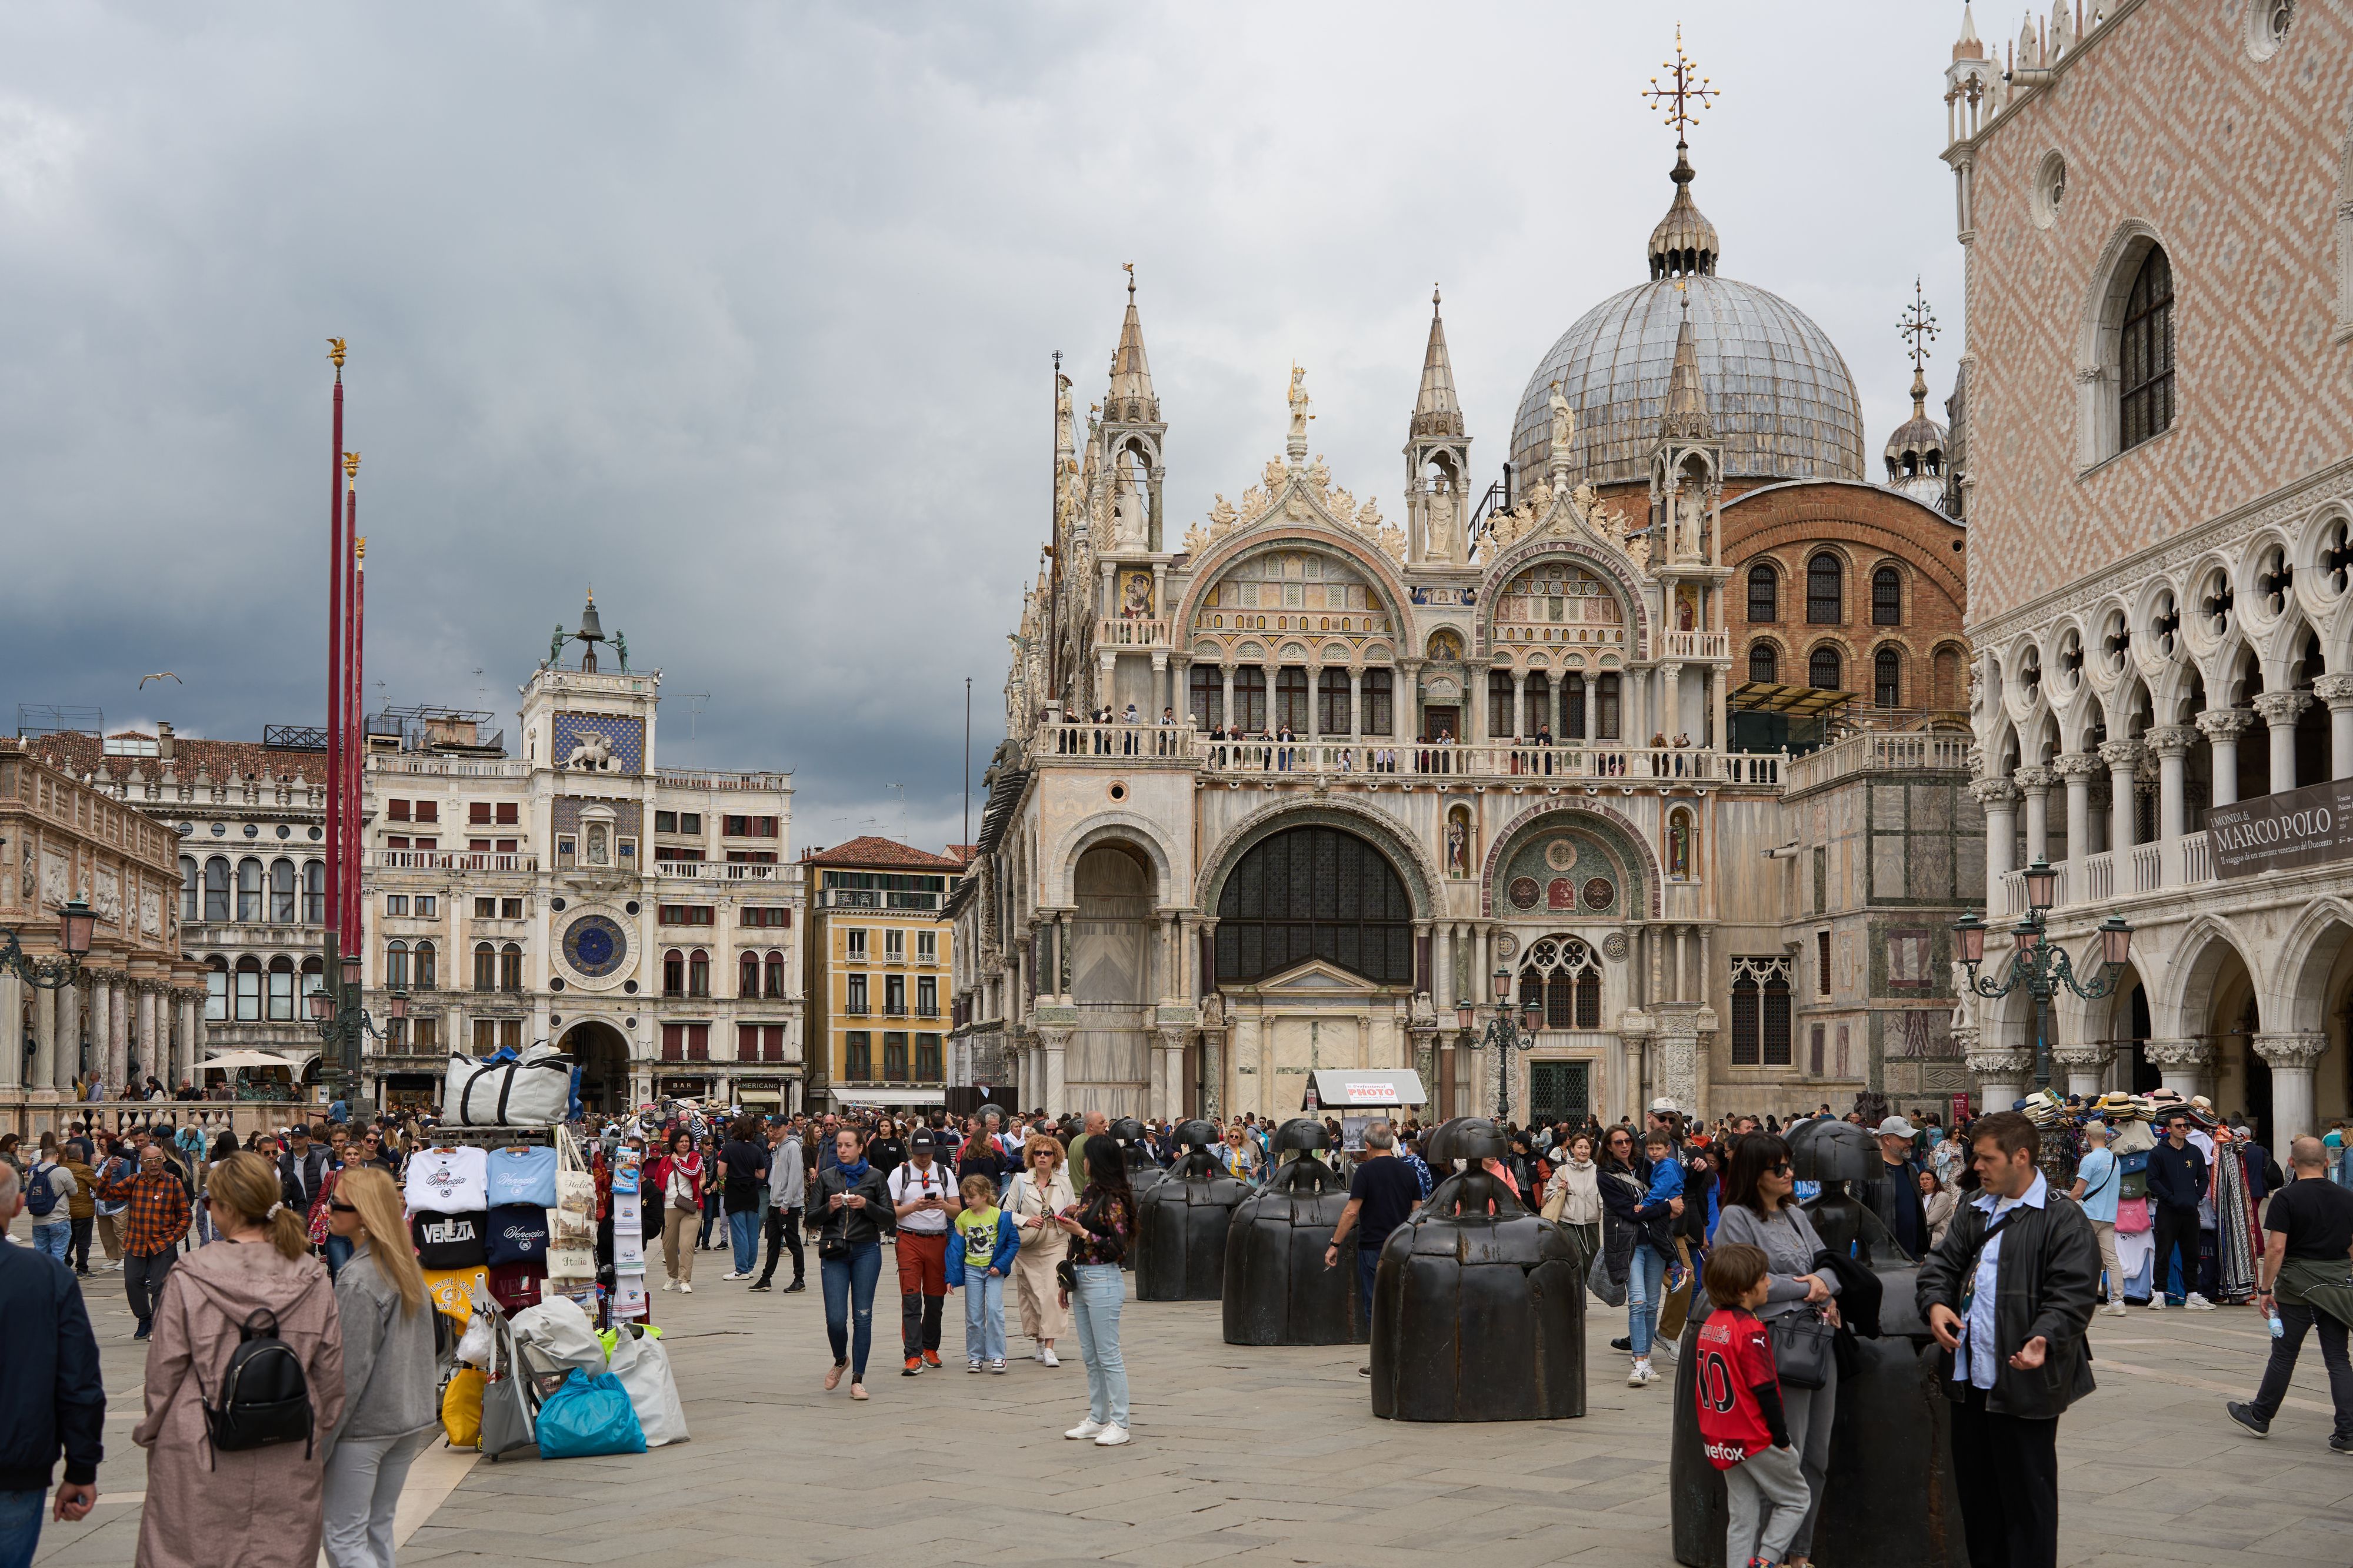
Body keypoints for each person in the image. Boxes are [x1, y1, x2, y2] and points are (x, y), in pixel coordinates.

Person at [132, 1150, 345, 1568]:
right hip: (287, 1445)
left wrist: (155, 1434)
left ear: (223, 1208)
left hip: (201, 1444)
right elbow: (332, 1375)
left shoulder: (190, 1275)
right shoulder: (312, 1277)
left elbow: (164, 1375)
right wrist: (315, 1427)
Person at [1917, 1110, 2098, 1568]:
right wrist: (1936, 1303)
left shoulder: (2063, 1219)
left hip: (2027, 1379)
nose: (1977, 1166)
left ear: (2021, 1156)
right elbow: (1941, 1266)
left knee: (2027, 1503)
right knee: (1978, 1503)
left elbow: (2073, 1293)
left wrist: (2044, 1337)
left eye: (1986, 1158)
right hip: (1968, 1379)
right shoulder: (1974, 1209)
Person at [1712, 1135, 1840, 1567]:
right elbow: (1748, 1283)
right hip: (1773, 1345)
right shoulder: (1736, 1217)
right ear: (1755, 1175)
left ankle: (1799, 1553)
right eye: (1779, 1169)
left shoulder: (1795, 1214)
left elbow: (1829, 1265)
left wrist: (1822, 1285)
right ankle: (1771, 1557)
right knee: (1787, 1454)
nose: (1789, 1175)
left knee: (1817, 1456)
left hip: (1817, 1340)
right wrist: (1812, 1287)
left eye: (1789, 1166)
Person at [321, 1166, 438, 1568]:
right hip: (405, 1419)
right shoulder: (403, 1266)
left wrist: (321, 1442)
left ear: (366, 1215)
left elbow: (347, 1372)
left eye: (339, 1205)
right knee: (377, 1530)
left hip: (364, 1426)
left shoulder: (359, 1278)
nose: (329, 1210)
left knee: (344, 1538)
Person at [0, 1158, 103, 1568]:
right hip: (13, 1468)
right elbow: (78, 1381)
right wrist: (81, 1467)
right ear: (19, 1205)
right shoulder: (47, 1277)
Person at [2227, 1135, 2353, 1450]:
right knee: (2338, 1358)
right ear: (2327, 1163)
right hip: (2337, 1285)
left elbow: (2276, 1247)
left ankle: (2261, 1415)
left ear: (2292, 1163)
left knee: (2284, 1354)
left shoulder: (2286, 1197)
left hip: (2297, 1285)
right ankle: (2348, 1432)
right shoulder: (2347, 1197)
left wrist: (2265, 1288)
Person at [1695, 1243, 1809, 1568]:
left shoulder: (1712, 1324)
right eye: (1763, 1278)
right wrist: (1782, 1438)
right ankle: (1766, 1560)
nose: (1769, 1283)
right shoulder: (1751, 1331)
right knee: (1796, 1499)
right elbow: (1766, 1389)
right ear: (1746, 1290)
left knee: (1742, 1515)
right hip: (1754, 1435)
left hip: (1720, 1436)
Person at [1324, 1122, 1422, 1376]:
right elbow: (1417, 1212)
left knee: (1374, 1304)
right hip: (1401, 1248)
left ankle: (1381, 1360)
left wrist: (1335, 1244)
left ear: (1367, 1146)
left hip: (1372, 1247)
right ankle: (1404, 1356)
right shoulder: (1409, 1172)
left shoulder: (1365, 1173)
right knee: (1401, 1300)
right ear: (1391, 1143)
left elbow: (1351, 1211)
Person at [1056, 1135, 1134, 1446]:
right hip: (1083, 1277)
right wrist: (1065, 1279)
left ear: (1098, 1162)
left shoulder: (1115, 1198)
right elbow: (1079, 1240)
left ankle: (1121, 1422)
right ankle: (1098, 1416)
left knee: (1108, 1355)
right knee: (1091, 1355)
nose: (1083, 1163)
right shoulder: (1090, 1192)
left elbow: (1119, 1248)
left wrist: (1082, 1230)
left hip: (1104, 1278)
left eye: (1087, 1158)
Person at [812, 1126, 894, 1399]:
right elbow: (810, 1219)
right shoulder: (826, 1178)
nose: (843, 1150)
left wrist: (866, 1205)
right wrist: (830, 1208)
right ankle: (840, 1360)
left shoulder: (875, 1177)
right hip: (835, 1251)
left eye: (848, 1146)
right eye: (839, 1146)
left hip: (866, 1251)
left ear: (861, 1148)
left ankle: (858, 1379)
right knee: (835, 1319)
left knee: (863, 1316)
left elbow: (889, 1218)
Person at [96, 1145, 191, 1341]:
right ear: (141, 1163)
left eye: (157, 1159)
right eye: (149, 1161)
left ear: (163, 1159)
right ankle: (144, 1318)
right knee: (132, 1282)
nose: (154, 1164)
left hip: (163, 1243)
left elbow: (185, 1216)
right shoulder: (134, 1181)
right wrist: (108, 1172)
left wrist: (174, 1237)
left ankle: (157, 1323)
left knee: (159, 1285)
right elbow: (104, 1194)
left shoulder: (173, 1183)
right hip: (136, 1241)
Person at [890, 1132, 961, 1374]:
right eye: (919, 1154)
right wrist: (914, 1207)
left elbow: (958, 1212)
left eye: (928, 1153)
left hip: (938, 1239)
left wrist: (943, 1206)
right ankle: (912, 1354)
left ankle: (930, 1348)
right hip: (908, 1238)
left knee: (935, 1299)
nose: (923, 1158)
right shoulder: (900, 1174)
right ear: (910, 1150)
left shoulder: (945, 1173)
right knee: (910, 1298)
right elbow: (891, 1213)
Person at [1005, 1133, 1075, 1366]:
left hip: (1055, 1241)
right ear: (1031, 1156)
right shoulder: (1019, 1181)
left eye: (1047, 1153)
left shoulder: (1064, 1182)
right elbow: (1005, 1214)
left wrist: (1070, 1214)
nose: (1042, 1157)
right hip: (1028, 1245)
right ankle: (1038, 1340)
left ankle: (1049, 1348)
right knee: (1032, 1295)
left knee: (1052, 1294)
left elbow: (1070, 1211)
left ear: (1055, 1157)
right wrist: (1026, 1220)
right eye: (1038, 1153)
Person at [949, 1173, 1016, 1373]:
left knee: (995, 1311)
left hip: (993, 1271)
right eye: (966, 1197)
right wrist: (951, 1276)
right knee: (974, 1316)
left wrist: (1001, 1265)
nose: (968, 1201)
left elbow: (1013, 1243)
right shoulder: (963, 1218)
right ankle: (976, 1356)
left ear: (985, 1196)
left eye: (972, 1197)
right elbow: (956, 1248)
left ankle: (998, 1355)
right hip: (972, 1269)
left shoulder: (999, 1215)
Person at [2146, 1111, 2214, 1310]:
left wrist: (2196, 1197)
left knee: (2192, 1253)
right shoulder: (2158, 1153)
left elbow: (2203, 1177)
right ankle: (2159, 1294)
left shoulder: (2194, 1152)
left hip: (2190, 1210)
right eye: (2179, 1126)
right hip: (2168, 1210)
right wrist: (2170, 1198)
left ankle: (2192, 1294)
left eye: (2185, 1125)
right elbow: (2152, 1181)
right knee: (2163, 1252)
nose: (2184, 1128)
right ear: (2168, 1129)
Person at [2067, 1119, 2127, 1317]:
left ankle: (2075, 1298)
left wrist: (2062, 1202)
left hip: (2089, 1214)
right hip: (2108, 1215)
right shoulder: (2115, 1160)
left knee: (2078, 1256)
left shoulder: (2090, 1160)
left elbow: (2078, 1191)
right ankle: (2117, 1301)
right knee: (2112, 1259)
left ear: (2088, 1137)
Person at [751, 1119, 805, 1293]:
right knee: (773, 1242)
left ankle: (799, 1279)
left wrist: (787, 1202)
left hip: (787, 1203)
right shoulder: (778, 1147)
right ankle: (766, 1278)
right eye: (771, 1128)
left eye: (777, 1128)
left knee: (792, 1241)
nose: (773, 1131)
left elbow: (796, 1176)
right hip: (775, 1201)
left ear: (786, 1128)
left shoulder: (792, 1147)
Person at [648, 1130, 705, 1293]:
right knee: (668, 1246)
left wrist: (678, 1162)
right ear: (674, 1143)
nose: (684, 1144)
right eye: (681, 1141)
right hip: (669, 1207)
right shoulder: (665, 1161)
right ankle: (673, 1276)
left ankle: (684, 1279)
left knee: (686, 1245)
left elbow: (694, 1174)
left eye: (687, 1141)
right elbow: (659, 1184)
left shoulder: (696, 1158)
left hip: (691, 1208)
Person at [1867, 1115, 1928, 1260]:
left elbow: (1917, 1214)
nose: (1910, 1143)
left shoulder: (1911, 1170)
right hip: (1884, 1260)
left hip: (1912, 1257)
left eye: (1910, 1138)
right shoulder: (1869, 1172)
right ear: (1887, 1140)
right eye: (1903, 1139)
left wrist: (1920, 1254)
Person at [717, 1117, 769, 1282]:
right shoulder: (756, 1150)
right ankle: (750, 1267)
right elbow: (762, 1174)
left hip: (735, 1192)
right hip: (752, 1192)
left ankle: (741, 1270)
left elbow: (721, 1172)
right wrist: (749, 1171)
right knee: (752, 1233)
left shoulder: (729, 1148)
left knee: (739, 1233)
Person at [1544, 1130, 1603, 1263]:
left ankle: (1583, 1284)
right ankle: (1576, 1284)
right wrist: (1558, 1188)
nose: (1583, 1151)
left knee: (1592, 1264)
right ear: (1572, 1149)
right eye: (1580, 1147)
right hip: (1568, 1223)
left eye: (1587, 1148)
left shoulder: (1598, 1173)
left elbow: (1603, 1199)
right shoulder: (1562, 1171)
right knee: (1577, 1260)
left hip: (1590, 1224)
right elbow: (1547, 1194)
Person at [22, 1134, 75, 1267]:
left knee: (41, 1254)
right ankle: (55, 1283)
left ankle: (41, 1282)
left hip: (38, 1220)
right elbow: (74, 1192)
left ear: (42, 1158)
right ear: (57, 1156)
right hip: (59, 1218)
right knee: (58, 1254)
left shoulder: (34, 1173)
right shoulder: (63, 1171)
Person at [1921, 1167, 1959, 1252]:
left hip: (1940, 1236)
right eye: (1922, 1179)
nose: (1925, 1182)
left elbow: (1930, 1220)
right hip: (1926, 1234)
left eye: (1928, 1179)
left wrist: (1913, 1225)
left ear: (1935, 1181)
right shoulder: (1920, 1197)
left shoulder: (1942, 1197)